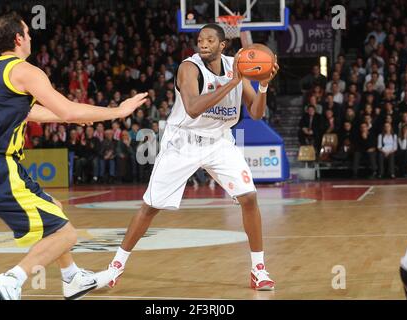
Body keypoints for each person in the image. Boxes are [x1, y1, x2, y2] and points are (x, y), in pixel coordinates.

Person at [0, 13, 147, 300]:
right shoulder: (24, 70)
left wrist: (71, 120)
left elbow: (28, 112)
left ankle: (72, 277)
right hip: (0, 166)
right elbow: (68, 109)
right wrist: (117, 112)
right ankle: (11, 280)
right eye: (27, 32)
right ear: (18, 39)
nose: (31, 36)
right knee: (67, 234)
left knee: (55, 207)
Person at [96, 24, 279, 291]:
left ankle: (258, 270)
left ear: (222, 45)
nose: (203, 44)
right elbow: (192, 109)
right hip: (183, 141)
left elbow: (255, 114)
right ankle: (115, 268)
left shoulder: (235, 65)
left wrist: (262, 87)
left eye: (209, 40)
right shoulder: (189, 68)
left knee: (249, 197)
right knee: (151, 206)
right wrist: (233, 82)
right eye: (199, 40)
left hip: (219, 141)